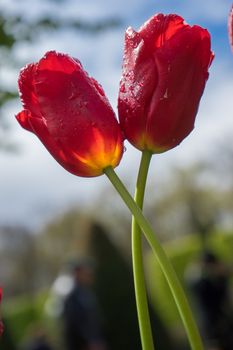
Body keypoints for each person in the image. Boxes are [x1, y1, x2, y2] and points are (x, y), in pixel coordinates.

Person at [188, 251, 233, 350]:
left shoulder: (219, 278)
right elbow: (197, 286)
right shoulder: (198, 280)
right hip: (209, 324)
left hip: (224, 321)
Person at [62, 259, 107, 350]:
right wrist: (88, 342)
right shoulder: (72, 296)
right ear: (77, 273)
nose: (89, 275)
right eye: (86, 273)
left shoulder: (87, 293)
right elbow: (74, 324)